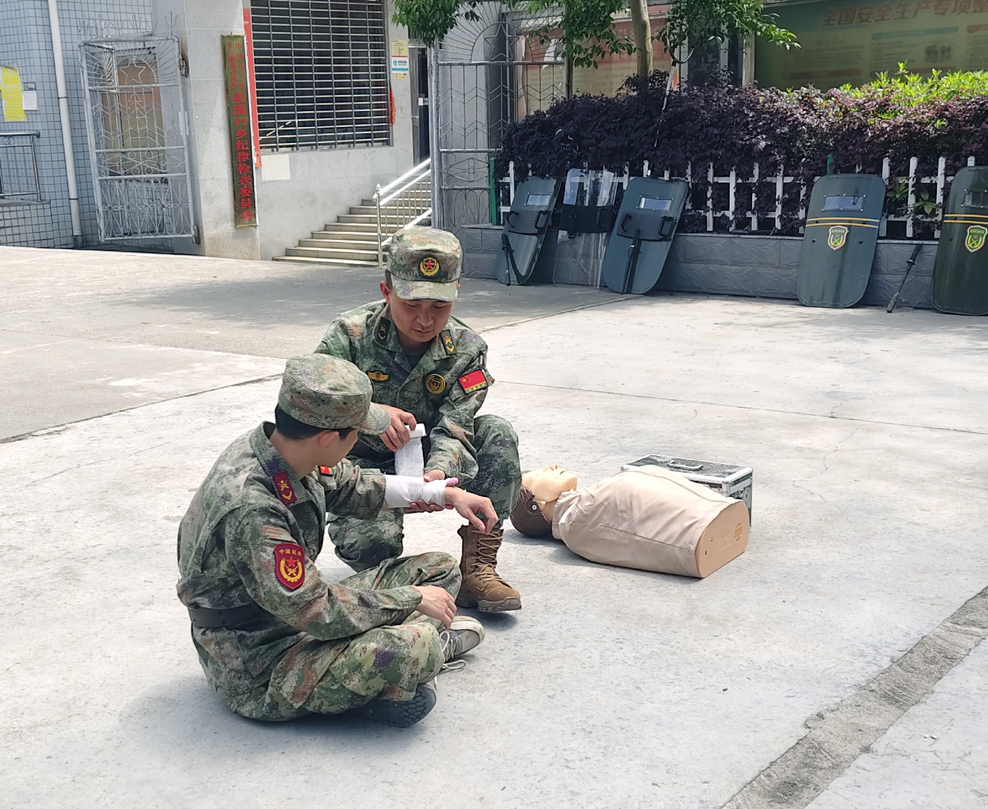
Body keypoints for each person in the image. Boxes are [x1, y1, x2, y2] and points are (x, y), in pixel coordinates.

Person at [176, 353, 498, 726]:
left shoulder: (282, 449)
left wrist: (445, 493)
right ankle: (421, 650)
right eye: (358, 431)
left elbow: (353, 483)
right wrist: (411, 599)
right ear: (329, 438)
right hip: (258, 657)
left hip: (290, 612)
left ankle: (399, 660)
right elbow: (318, 611)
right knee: (413, 643)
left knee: (439, 570)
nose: (363, 438)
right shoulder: (253, 509)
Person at [315, 227, 522, 613]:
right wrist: (371, 415)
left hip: (430, 456)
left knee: (496, 433)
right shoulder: (350, 335)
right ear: (386, 291)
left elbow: (456, 425)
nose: (425, 320)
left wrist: (438, 476)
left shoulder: (467, 349)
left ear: (456, 291)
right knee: (369, 545)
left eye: (439, 306)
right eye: (412, 304)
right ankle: (386, 585)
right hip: (362, 460)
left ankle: (478, 568)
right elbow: (314, 403)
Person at [512, 464, 750, 578]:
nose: (551, 466)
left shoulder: (586, 505)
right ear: (537, 505)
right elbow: (639, 540)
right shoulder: (579, 520)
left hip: (712, 515)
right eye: (538, 474)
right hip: (698, 534)